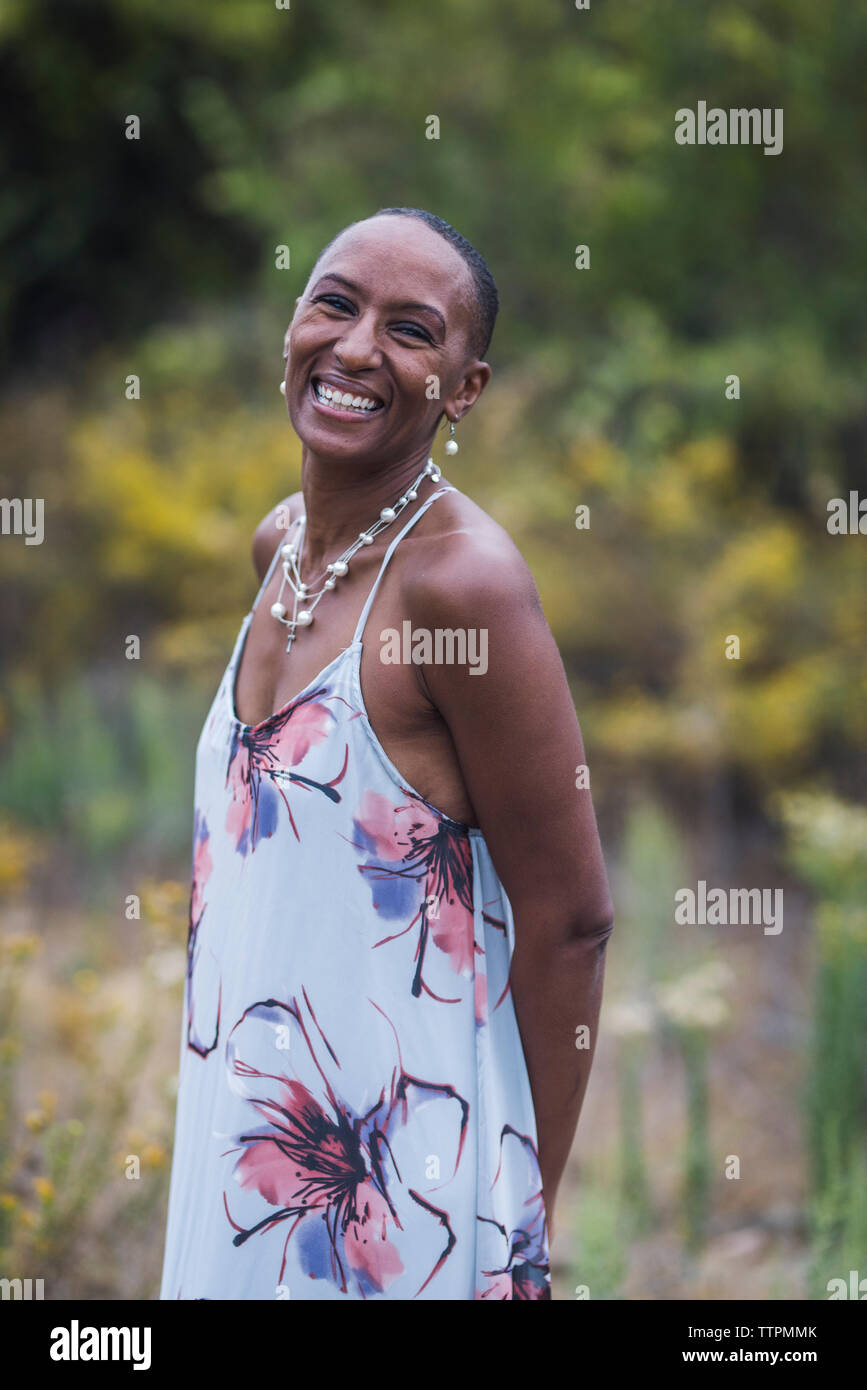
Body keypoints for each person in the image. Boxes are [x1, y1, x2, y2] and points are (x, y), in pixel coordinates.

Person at [160, 206, 614, 1300]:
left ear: (464, 388)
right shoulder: (278, 549)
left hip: (405, 1211)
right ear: (291, 327)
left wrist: (511, 1214)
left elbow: (573, 920)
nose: (358, 347)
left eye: (412, 330)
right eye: (335, 303)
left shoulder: (464, 587)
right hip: (247, 1159)